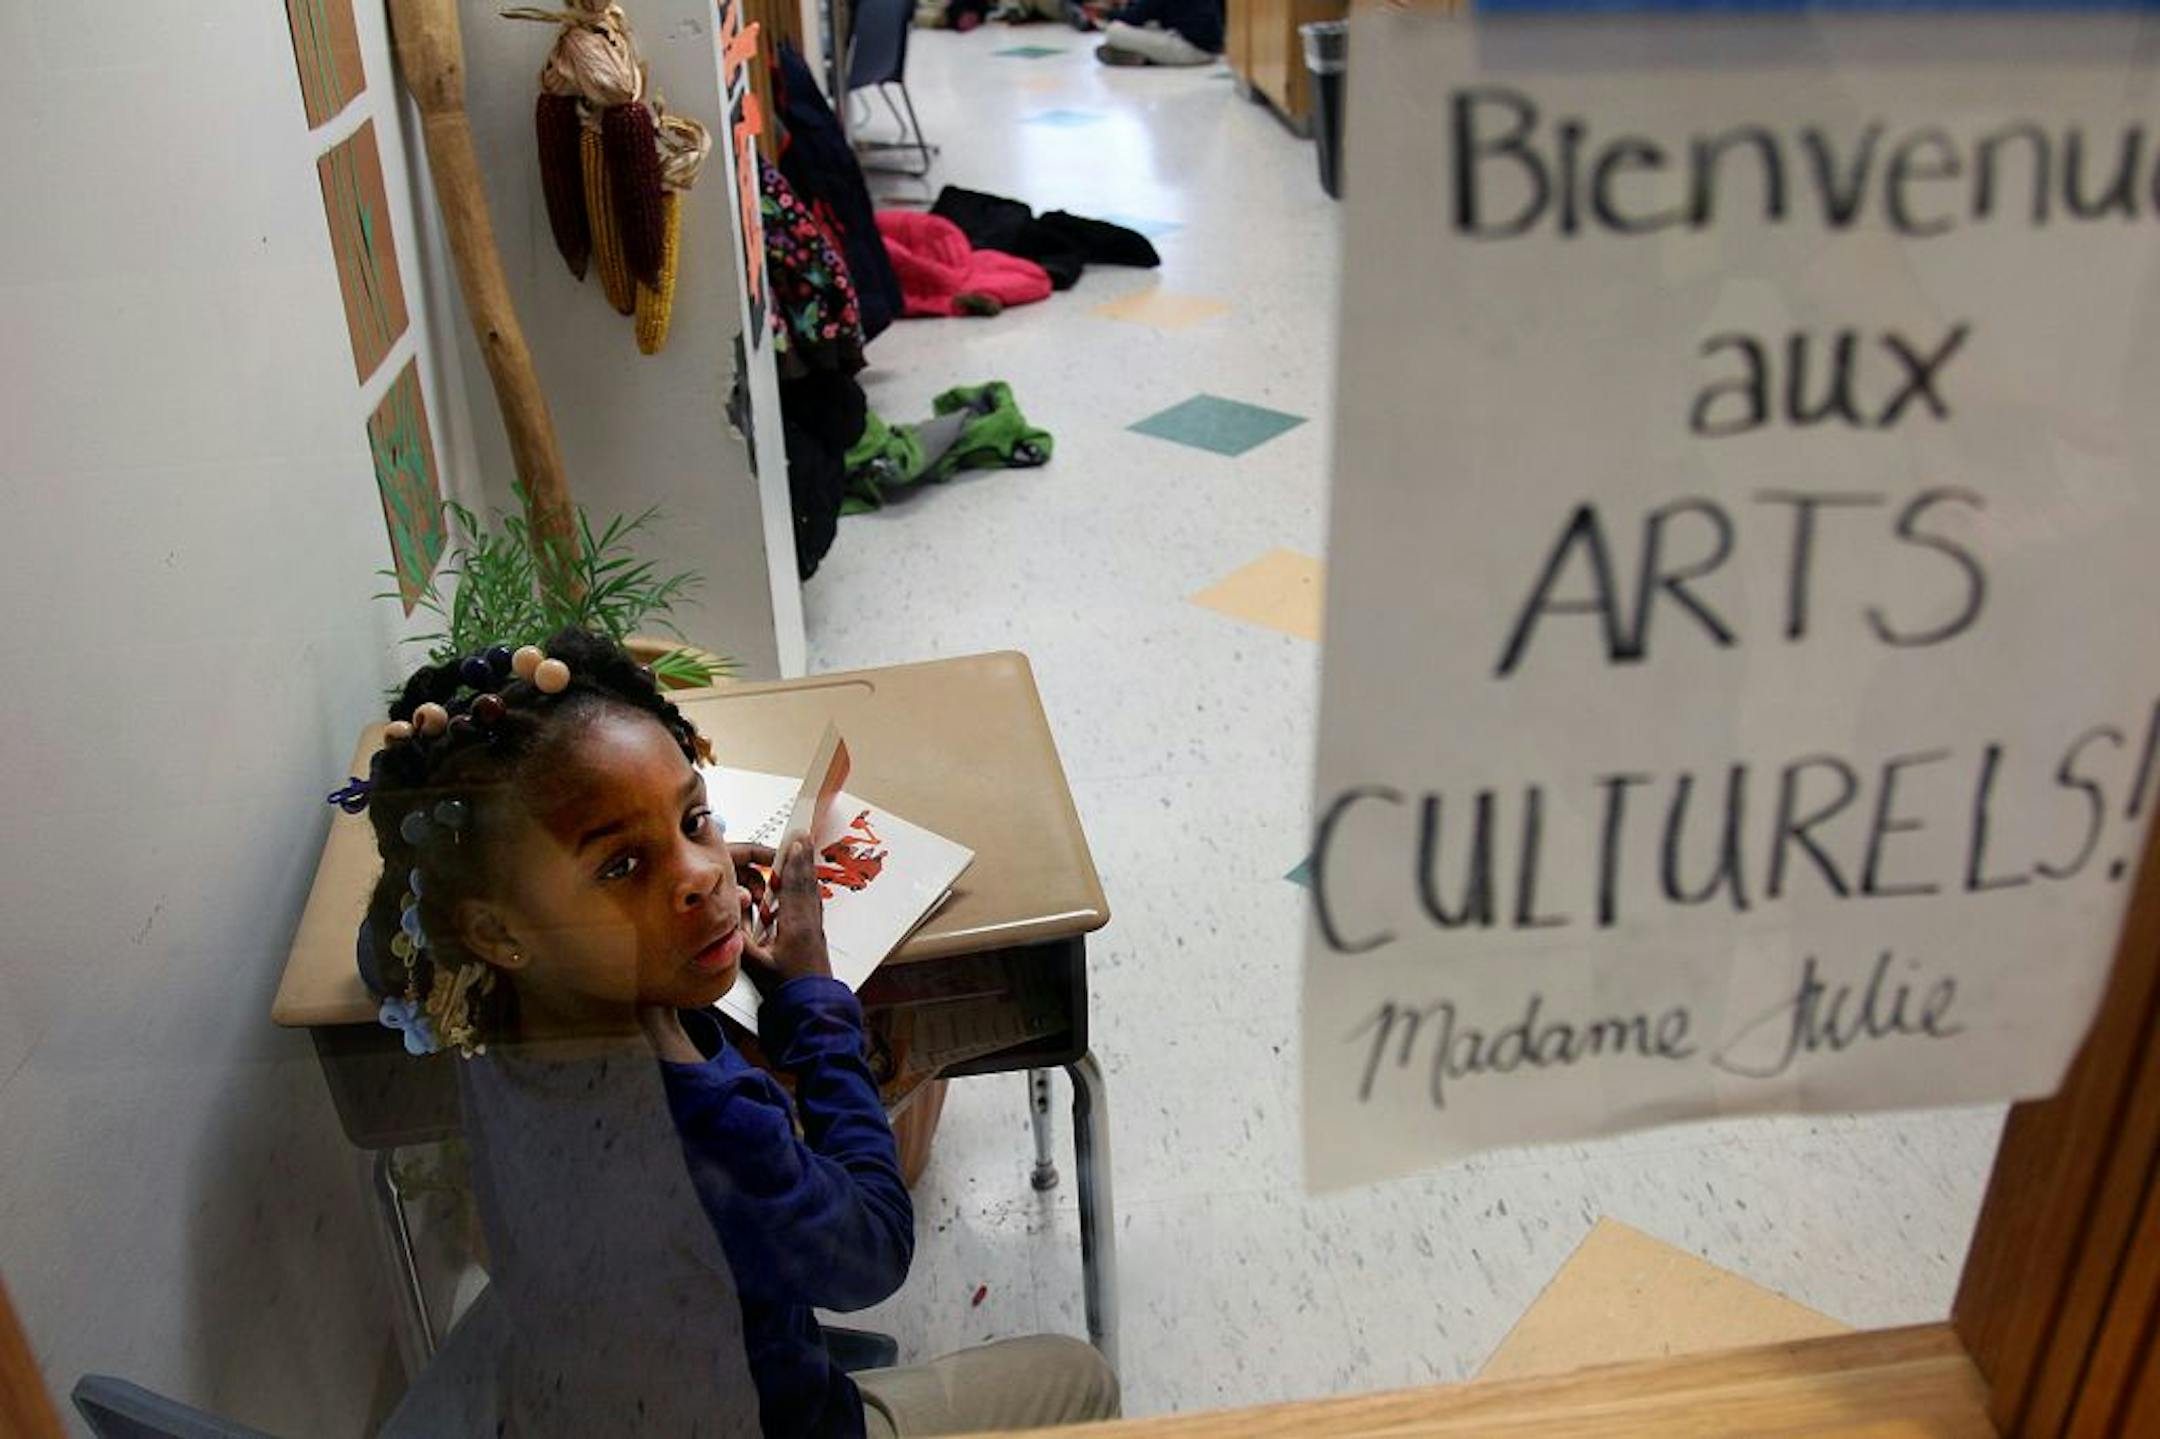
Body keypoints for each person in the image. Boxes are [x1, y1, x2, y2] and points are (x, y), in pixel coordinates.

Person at [354, 628, 1119, 1437]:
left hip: (588, 1391)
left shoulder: (481, 992)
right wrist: (818, 998)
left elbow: (382, 948)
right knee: (1078, 1374)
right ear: (496, 926)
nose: (705, 872)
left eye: (695, 818)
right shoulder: (705, 1132)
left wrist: (656, 873)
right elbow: (874, 1247)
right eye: (619, 866)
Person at [1088, 0, 1223, 67]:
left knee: (1114, 31)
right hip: (1210, 47)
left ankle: (1144, 57)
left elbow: (1134, 17)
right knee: (1149, 25)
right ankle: (1142, 56)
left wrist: (1105, 14)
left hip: (1191, 50)